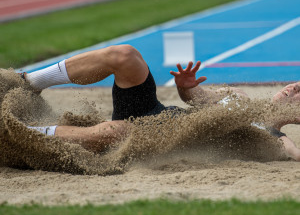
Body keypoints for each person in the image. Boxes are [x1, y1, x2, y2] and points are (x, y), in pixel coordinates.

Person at [20, 44, 300, 160]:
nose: (293, 86)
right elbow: (198, 99)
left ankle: (15, 134)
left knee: (116, 132)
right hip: (158, 112)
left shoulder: (276, 139)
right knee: (126, 55)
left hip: (163, 139)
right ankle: (28, 82)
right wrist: (186, 87)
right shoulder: (240, 98)